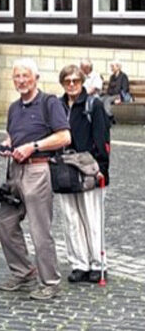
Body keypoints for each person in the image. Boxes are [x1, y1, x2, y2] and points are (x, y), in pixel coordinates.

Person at [0, 58, 71, 300]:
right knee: (6, 224)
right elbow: (13, 135)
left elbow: (64, 137)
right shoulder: (13, 107)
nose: (21, 80)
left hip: (39, 169)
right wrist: (8, 145)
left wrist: (34, 146)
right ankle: (22, 271)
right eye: (17, 76)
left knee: (40, 230)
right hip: (15, 170)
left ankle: (50, 282)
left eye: (25, 76)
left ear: (36, 78)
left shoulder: (49, 103)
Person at [58, 65, 110, 284]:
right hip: (64, 168)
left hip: (89, 169)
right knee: (71, 217)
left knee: (92, 218)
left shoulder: (93, 105)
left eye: (75, 81)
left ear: (82, 82)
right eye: (67, 81)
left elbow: (102, 138)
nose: (71, 85)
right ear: (62, 83)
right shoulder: (57, 105)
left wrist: (102, 170)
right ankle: (79, 263)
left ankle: (98, 264)